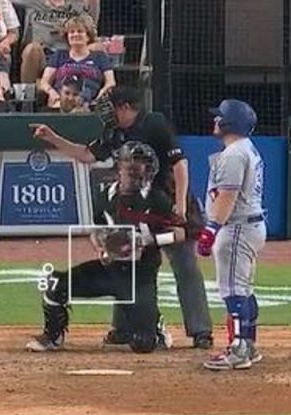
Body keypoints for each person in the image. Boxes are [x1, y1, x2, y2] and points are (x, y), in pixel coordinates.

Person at [30, 86, 214, 349]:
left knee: (184, 265)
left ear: (126, 107)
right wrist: (53, 138)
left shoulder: (153, 123)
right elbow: (86, 154)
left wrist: (180, 205)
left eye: (111, 107)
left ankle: (200, 331)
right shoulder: (114, 133)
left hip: (168, 201)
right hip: (133, 203)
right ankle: (124, 327)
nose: (107, 114)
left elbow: (180, 164)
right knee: (123, 256)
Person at [26, 141, 179, 353]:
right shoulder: (106, 195)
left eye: (142, 165)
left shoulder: (157, 199)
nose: (136, 170)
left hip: (140, 274)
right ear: (120, 167)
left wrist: (147, 240)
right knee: (54, 285)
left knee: (143, 344)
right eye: (131, 165)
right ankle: (52, 336)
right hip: (110, 269)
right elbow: (97, 230)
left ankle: (154, 323)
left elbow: (180, 233)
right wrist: (100, 246)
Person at [196, 100, 266, 371]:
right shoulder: (245, 149)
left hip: (236, 226)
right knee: (244, 289)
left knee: (233, 291)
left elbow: (228, 196)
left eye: (219, 118)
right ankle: (247, 344)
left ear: (229, 122)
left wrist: (211, 229)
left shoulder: (234, 154)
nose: (215, 121)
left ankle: (239, 349)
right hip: (248, 225)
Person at [12, 0, 99, 84]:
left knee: (96, 47)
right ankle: (29, 94)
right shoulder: (32, 2)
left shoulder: (77, 4)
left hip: (69, 54)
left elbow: (90, 26)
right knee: (32, 49)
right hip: (42, 54)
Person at [38, 15, 114, 109]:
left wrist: (101, 95)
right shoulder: (59, 55)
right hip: (60, 102)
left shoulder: (99, 57)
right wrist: (51, 92)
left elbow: (111, 82)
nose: (75, 34)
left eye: (80, 31)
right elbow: (44, 82)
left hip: (90, 103)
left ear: (88, 36)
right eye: (71, 32)